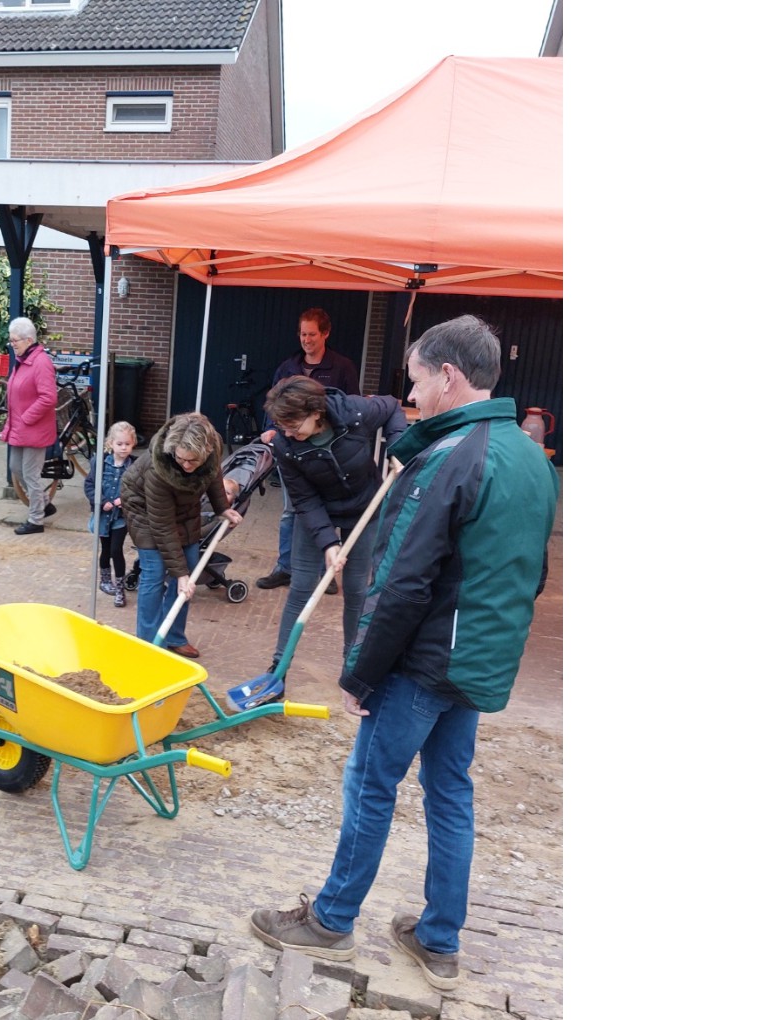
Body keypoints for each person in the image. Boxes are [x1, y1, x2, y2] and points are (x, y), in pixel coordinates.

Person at [248, 315, 559, 991]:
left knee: (370, 784)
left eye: (417, 378)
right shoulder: (533, 458)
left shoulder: (447, 460)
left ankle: (331, 919)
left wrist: (361, 673)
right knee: (450, 791)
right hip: (480, 656)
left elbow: (400, 582)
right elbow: (533, 572)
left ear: (448, 375)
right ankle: (438, 940)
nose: (411, 394)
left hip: (425, 660)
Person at [261, 376, 406, 673]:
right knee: (301, 587)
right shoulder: (285, 446)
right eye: (282, 426)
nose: (287, 432)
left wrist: (398, 449)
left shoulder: (354, 412)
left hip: (364, 508)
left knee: (355, 589)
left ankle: (352, 663)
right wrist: (328, 542)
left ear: (316, 412)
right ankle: (279, 667)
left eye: (293, 425)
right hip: (318, 512)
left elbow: (392, 406)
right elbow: (304, 499)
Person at [120, 412, 242, 658]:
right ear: (173, 449)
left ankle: (174, 636)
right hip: (145, 510)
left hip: (184, 510)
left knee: (189, 575)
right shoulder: (158, 469)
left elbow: (213, 475)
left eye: (192, 461)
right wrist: (180, 572)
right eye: (181, 459)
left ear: (206, 452)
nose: (186, 466)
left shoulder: (210, 451)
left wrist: (222, 508)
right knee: (154, 573)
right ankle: (149, 643)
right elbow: (163, 526)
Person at [257, 308, 360, 590]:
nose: (306, 340)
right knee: (292, 510)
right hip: (293, 453)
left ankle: (324, 573)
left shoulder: (342, 368)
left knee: (327, 511)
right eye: (302, 334)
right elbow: (273, 404)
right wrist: (270, 429)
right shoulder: (288, 368)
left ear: (325, 333)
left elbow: (351, 409)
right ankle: (285, 567)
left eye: (312, 334)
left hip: (328, 454)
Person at [1, 317, 58, 535]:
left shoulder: (40, 362)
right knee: (16, 467)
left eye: (15, 340)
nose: (12, 344)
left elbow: (48, 397)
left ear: (29, 339)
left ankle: (36, 519)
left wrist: (26, 417)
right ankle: (44, 502)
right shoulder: (24, 359)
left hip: (33, 428)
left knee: (31, 474)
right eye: (11, 340)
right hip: (20, 427)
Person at [84, 421, 138, 609]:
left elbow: (137, 490)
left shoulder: (134, 466)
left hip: (121, 517)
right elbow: (90, 485)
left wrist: (122, 501)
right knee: (105, 549)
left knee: (116, 550)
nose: (124, 448)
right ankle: (105, 580)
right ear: (111, 444)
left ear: (133, 444)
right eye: (119, 444)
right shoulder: (100, 463)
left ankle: (120, 587)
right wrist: (101, 500)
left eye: (127, 444)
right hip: (103, 515)